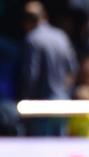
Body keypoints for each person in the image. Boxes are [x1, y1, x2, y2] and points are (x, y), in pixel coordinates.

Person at [20, 0, 78, 136]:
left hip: (41, 108)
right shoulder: (61, 36)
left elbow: (31, 75)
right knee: (59, 152)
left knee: (41, 153)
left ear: (26, 22)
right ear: (44, 16)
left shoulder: (32, 39)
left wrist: (26, 101)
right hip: (62, 104)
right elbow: (73, 70)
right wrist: (63, 92)